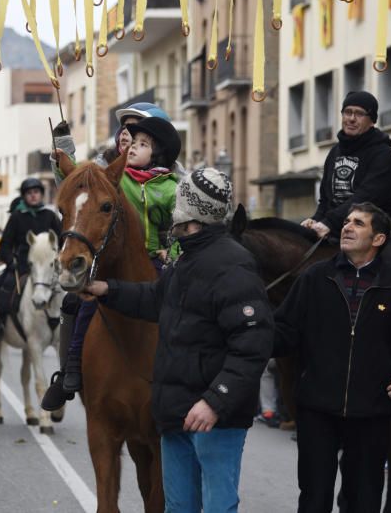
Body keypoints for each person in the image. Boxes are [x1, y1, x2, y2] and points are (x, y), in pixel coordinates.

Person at [82, 167, 274, 513]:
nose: (172, 208)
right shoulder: (186, 259)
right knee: (179, 507)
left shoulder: (233, 265)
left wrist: (215, 401)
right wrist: (107, 289)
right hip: (177, 413)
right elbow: (156, 299)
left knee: (218, 506)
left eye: (180, 200)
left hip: (214, 419)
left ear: (192, 209)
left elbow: (253, 344)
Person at [274, 202, 391, 513]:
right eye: (347, 221)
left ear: (378, 239)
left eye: (359, 223)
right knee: (314, 498)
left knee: (364, 501)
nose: (347, 227)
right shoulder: (314, 278)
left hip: (372, 411)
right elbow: (283, 331)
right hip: (317, 408)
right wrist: (249, 329)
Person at [41, 116, 181, 411]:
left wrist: (173, 250)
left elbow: (183, 224)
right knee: (79, 303)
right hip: (111, 259)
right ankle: (70, 369)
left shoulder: (172, 185)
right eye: (126, 133)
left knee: (178, 302)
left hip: (156, 260)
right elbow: (76, 179)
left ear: (158, 151)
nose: (128, 140)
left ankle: (186, 373)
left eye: (141, 140)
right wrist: (63, 147)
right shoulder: (112, 175)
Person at [0, 178, 61, 339]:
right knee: (3, 283)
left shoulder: (50, 215)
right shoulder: (17, 217)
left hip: (47, 265)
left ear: (41, 194)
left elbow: (61, 239)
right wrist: (9, 261)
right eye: (29, 193)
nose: (33, 196)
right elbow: (5, 243)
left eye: (36, 192)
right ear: (24, 196)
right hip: (22, 264)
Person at [301, 91, 391, 239]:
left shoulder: (383, 154)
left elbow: (365, 198)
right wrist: (316, 220)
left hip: (374, 234)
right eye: (347, 112)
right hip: (336, 230)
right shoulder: (335, 151)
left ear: (372, 120)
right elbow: (325, 200)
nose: (351, 119)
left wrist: (329, 222)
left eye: (359, 114)